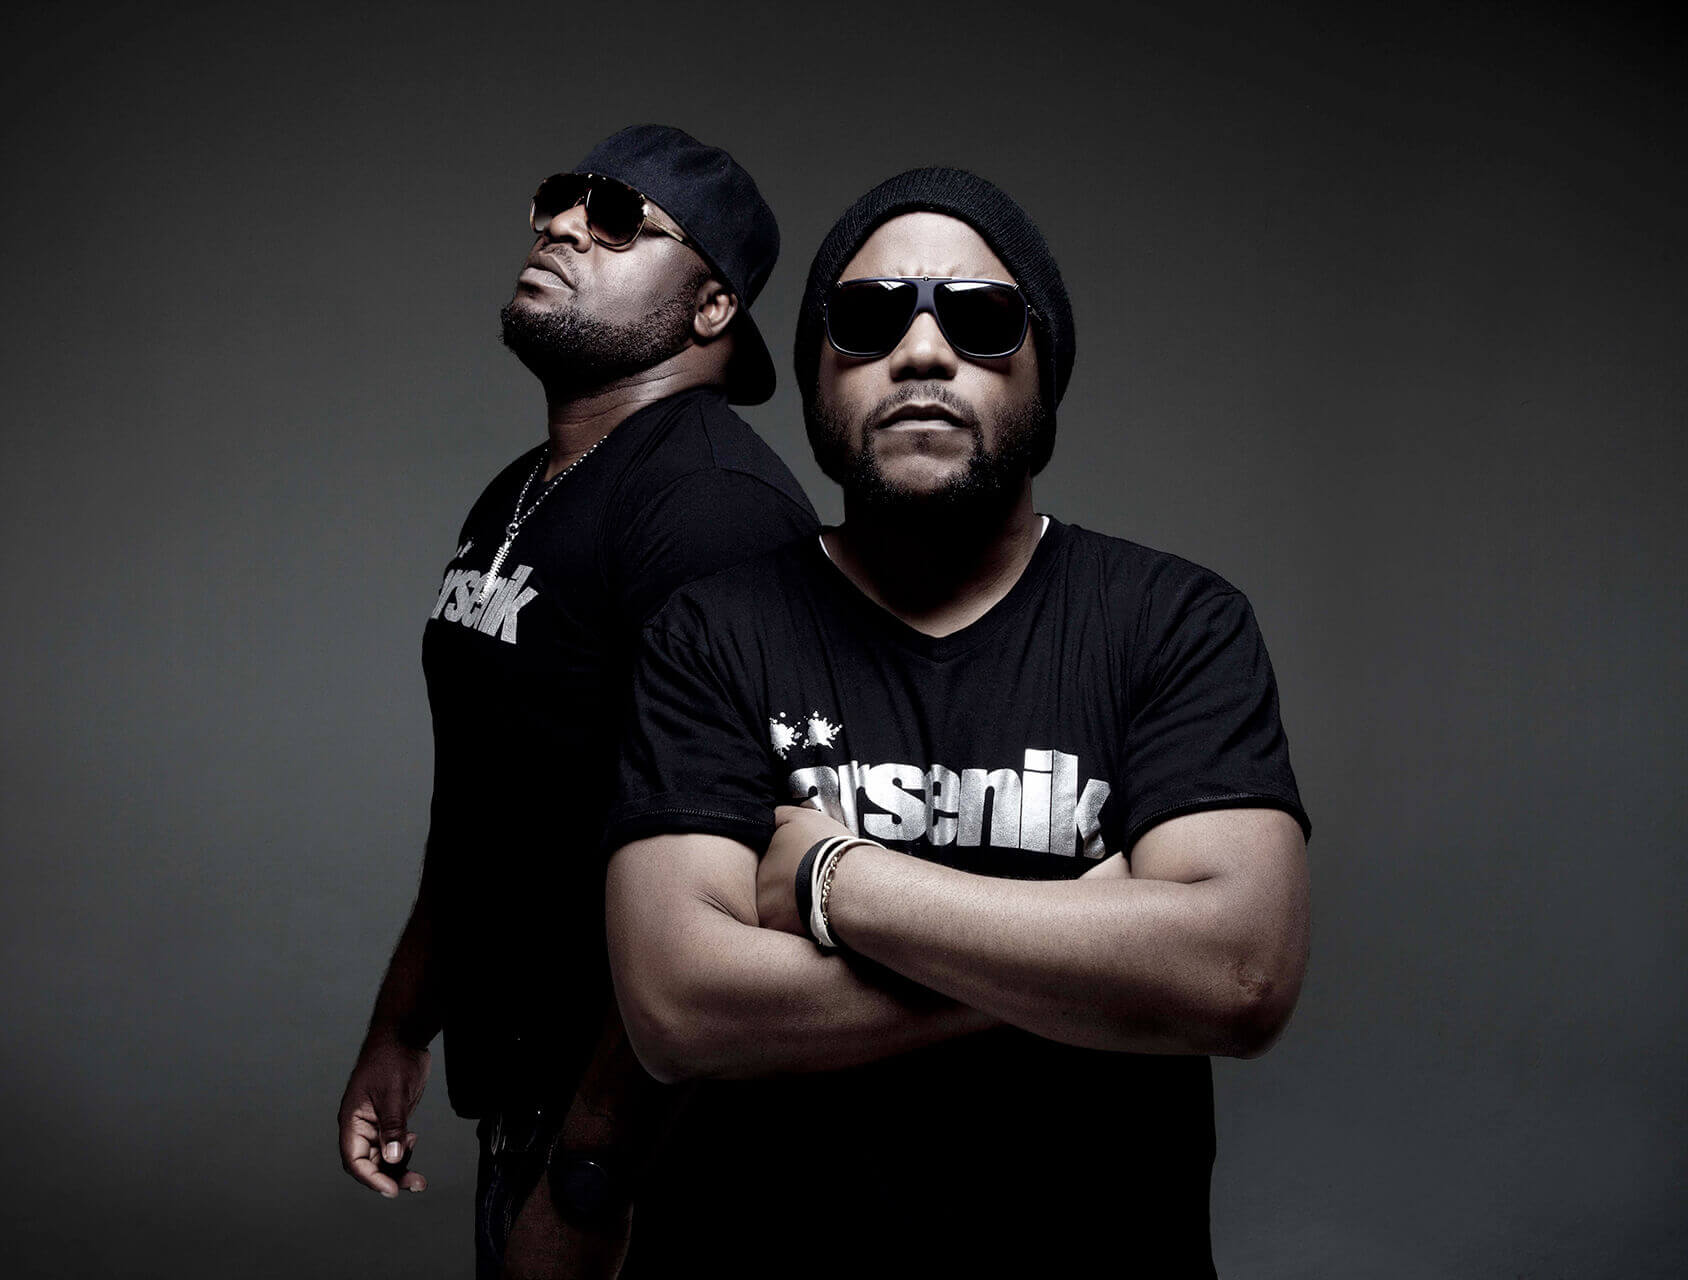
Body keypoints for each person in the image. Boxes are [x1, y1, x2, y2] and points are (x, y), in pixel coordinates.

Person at [604, 168, 1311, 1276]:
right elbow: (676, 1006)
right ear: (815, 374)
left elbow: (1238, 976)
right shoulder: (711, 632)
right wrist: (1096, 955)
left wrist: (839, 882)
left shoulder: (1176, 622)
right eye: (869, 317)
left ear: (1045, 373)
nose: (923, 351)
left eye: (980, 319)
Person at [336, 125, 818, 1279]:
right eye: (559, 200)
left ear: (712, 307)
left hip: (667, 1140)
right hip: (533, 1097)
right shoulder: (522, 491)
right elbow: (485, 797)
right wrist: (403, 1024)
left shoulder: (712, 509)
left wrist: (592, 1175)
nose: (562, 224)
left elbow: (746, 889)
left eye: (617, 218)